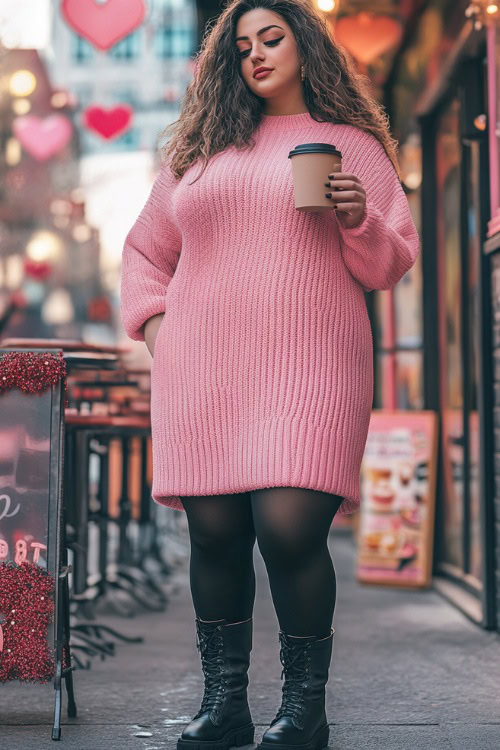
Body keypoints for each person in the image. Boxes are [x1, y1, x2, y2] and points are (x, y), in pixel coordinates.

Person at [119, 1, 420, 749]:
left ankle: (303, 710)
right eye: (243, 45)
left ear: (304, 44)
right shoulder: (199, 152)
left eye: (271, 38)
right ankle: (225, 709)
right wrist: (161, 329)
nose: (255, 54)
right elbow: (143, 254)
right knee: (216, 536)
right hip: (202, 371)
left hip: (312, 363)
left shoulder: (350, 145)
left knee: (289, 531)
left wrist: (356, 215)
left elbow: (389, 263)